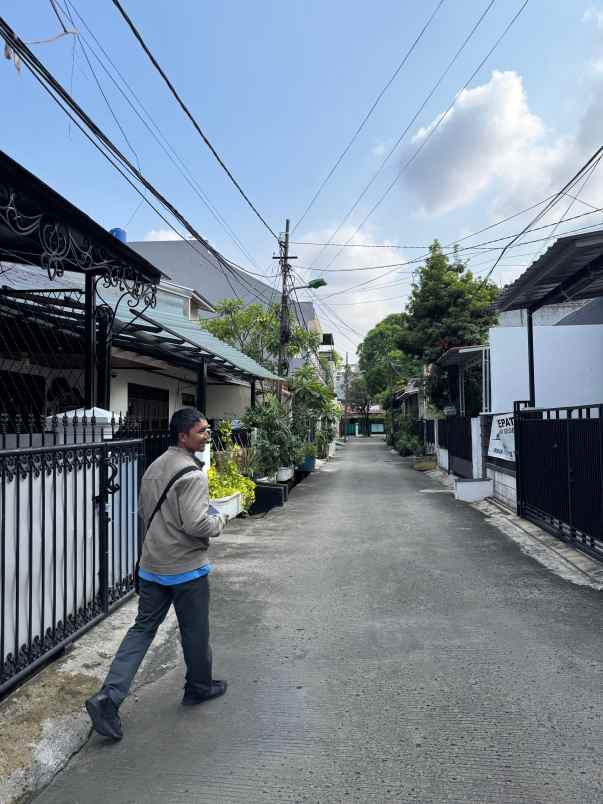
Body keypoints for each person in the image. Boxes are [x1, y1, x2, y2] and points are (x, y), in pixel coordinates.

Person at [85, 408, 227, 740]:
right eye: (202, 431)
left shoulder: (153, 467)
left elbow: (144, 512)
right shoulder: (192, 475)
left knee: (141, 630)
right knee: (195, 632)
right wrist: (219, 519)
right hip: (185, 569)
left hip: (152, 565)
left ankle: (109, 697)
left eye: (208, 430)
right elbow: (197, 523)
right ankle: (199, 687)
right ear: (183, 436)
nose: (207, 436)